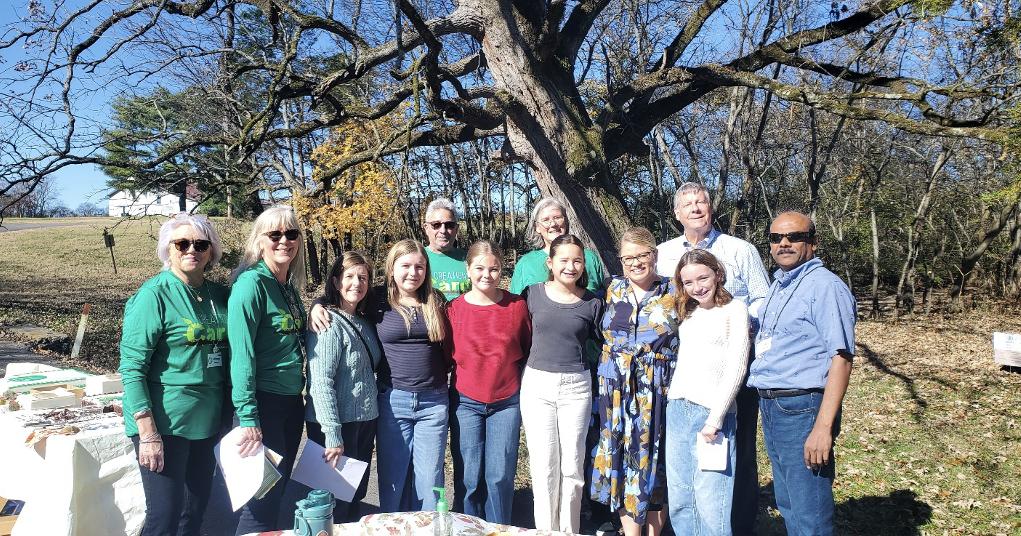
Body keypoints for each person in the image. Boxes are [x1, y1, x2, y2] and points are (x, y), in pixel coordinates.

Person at [655, 181, 769, 535]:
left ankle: (739, 527)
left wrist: (746, 340)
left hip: (727, 383)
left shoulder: (741, 250)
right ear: (677, 214)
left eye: (701, 201)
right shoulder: (664, 253)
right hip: (681, 389)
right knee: (683, 487)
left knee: (729, 473)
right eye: (687, 204)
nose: (695, 208)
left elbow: (763, 303)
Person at [119, 213, 228, 536]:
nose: (190, 249)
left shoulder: (220, 295)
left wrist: (320, 303)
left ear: (211, 251)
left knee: (193, 514)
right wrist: (147, 432)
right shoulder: (154, 295)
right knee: (164, 519)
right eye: (181, 243)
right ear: (169, 249)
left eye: (200, 243)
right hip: (164, 425)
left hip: (207, 423)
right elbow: (132, 366)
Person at [748, 211, 856, 536]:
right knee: (789, 503)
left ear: (813, 241)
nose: (784, 243)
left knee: (809, 510)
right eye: (776, 238)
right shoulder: (779, 285)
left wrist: (822, 427)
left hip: (802, 408)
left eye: (794, 236)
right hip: (772, 406)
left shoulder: (825, 287)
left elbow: (842, 358)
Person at [590, 227, 678, 536]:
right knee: (621, 459)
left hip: (656, 390)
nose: (635, 263)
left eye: (642, 255)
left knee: (655, 463)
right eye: (628, 257)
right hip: (615, 392)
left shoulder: (675, 290)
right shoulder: (611, 288)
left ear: (654, 255)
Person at [228, 205, 307, 535]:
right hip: (263, 404)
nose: (284, 241)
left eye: (291, 234)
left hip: (291, 403)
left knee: (276, 495)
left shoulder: (288, 286)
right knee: (260, 501)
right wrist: (248, 416)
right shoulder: (251, 286)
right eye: (275, 234)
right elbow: (241, 356)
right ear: (260, 241)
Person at [520, 234, 604, 533]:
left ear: (585, 265)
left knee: (572, 467)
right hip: (537, 386)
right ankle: (546, 531)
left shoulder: (593, 303)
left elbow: (606, 342)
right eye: (564, 260)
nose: (571, 266)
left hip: (577, 387)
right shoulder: (531, 295)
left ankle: (569, 531)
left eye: (577, 261)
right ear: (550, 263)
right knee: (544, 467)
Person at [665, 249, 750, 536]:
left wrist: (715, 418)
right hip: (678, 408)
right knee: (680, 495)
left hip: (711, 414)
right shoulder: (687, 312)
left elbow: (736, 367)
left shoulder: (735, 310)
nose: (697, 287)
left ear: (718, 274)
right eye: (688, 282)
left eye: (703, 278)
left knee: (712, 498)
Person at [447, 240, 531, 524]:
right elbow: (447, 354)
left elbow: (527, 347)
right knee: (469, 476)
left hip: (505, 403)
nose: (487, 274)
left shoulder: (516, 306)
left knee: (499, 476)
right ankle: (469, 527)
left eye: (494, 269)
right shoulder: (453, 310)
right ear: (468, 269)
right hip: (466, 402)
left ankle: (498, 528)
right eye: (480, 268)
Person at [304, 252, 382, 523]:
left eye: (362, 277)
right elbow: (320, 383)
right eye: (349, 276)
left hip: (363, 421)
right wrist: (332, 434)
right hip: (337, 424)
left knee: (353, 497)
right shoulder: (327, 323)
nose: (356, 283)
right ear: (336, 282)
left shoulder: (365, 320)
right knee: (331, 504)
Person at [374, 239, 451, 512]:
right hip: (393, 400)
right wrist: (318, 304)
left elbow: (451, 346)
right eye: (405, 265)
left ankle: (429, 528)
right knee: (393, 478)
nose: (413, 272)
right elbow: (341, 299)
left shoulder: (436, 299)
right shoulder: (377, 300)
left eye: (419, 266)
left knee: (431, 480)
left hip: (434, 402)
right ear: (392, 268)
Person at [509, 197, 605, 295]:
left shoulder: (589, 258)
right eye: (546, 220)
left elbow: (603, 299)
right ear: (536, 227)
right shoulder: (526, 263)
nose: (553, 224)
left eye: (557, 218)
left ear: (566, 222)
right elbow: (515, 305)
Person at [422, 197, 470, 300]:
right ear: (426, 228)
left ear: (456, 228)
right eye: (436, 225)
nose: (443, 230)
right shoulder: (416, 260)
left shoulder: (470, 259)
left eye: (449, 225)